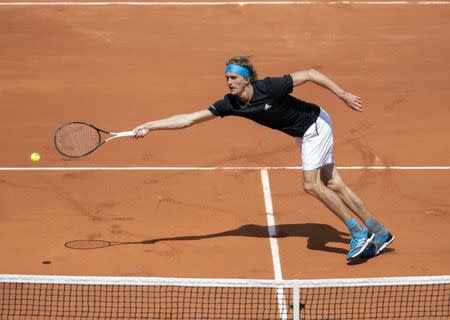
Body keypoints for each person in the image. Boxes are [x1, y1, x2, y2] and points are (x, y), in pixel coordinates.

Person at [133, 56, 394, 261]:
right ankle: (379, 231)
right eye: (227, 78)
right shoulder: (230, 104)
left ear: (247, 79)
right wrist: (150, 125)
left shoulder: (269, 87)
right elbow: (189, 119)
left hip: (314, 125)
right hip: (303, 132)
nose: (229, 83)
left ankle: (357, 233)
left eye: (234, 78)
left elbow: (312, 74)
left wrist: (343, 95)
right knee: (333, 183)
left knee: (311, 184)